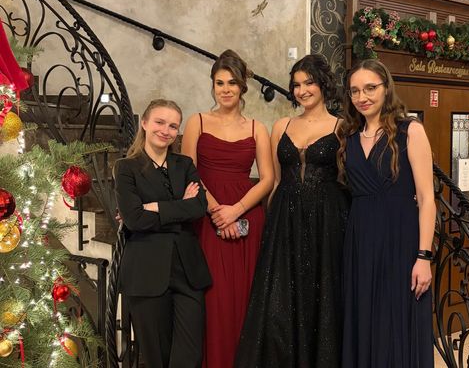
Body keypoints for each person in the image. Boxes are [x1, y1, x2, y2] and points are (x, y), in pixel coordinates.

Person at [235, 54, 349, 367]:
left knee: (322, 298)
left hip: (326, 222)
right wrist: (268, 225)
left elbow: (349, 179)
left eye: (309, 83)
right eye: (296, 85)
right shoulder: (281, 125)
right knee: (279, 304)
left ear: (322, 84)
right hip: (284, 221)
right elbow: (273, 180)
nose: (302, 90)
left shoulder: (342, 127)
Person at [338, 59, 435, 367]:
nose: (362, 97)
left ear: (386, 88)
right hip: (360, 242)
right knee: (365, 319)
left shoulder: (410, 130)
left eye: (370, 88)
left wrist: (424, 256)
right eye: (355, 91)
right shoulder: (349, 136)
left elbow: (427, 198)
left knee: (396, 323)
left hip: (400, 240)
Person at [181, 50, 274, 368]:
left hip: (247, 218)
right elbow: (189, 172)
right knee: (214, 300)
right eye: (219, 83)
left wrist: (236, 211)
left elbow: (268, 179)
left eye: (232, 83)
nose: (225, 89)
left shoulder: (257, 128)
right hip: (207, 218)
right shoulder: (197, 122)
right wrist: (217, 212)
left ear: (242, 86)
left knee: (244, 299)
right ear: (212, 85)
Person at [114, 99, 211, 368]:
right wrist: (180, 206)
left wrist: (154, 206)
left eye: (173, 126)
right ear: (145, 123)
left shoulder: (185, 164)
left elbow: (199, 207)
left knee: (190, 356)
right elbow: (134, 219)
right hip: (146, 272)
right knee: (157, 357)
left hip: (187, 271)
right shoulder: (126, 168)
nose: (165, 130)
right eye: (159, 122)